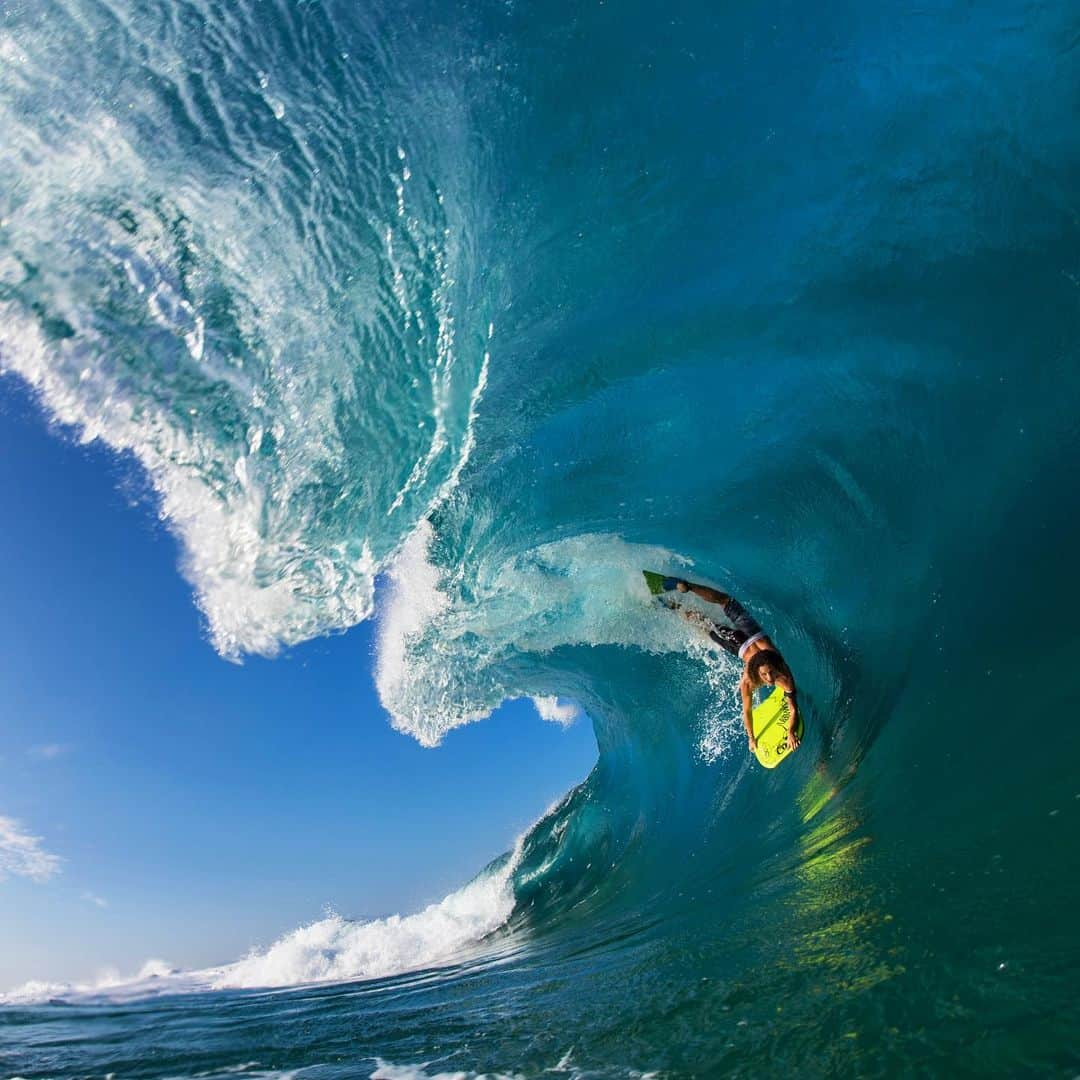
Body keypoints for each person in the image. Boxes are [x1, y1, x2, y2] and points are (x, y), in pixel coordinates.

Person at [664, 578, 800, 754]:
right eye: (764, 675)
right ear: (755, 672)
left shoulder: (783, 673)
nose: (769, 679)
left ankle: (687, 588)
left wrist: (790, 732)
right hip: (739, 644)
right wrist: (751, 738)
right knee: (706, 625)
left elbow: (793, 709)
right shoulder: (750, 681)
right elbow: (747, 711)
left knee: (726, 601)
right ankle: (675, 605)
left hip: (754, 632)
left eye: (771, 673)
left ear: (775, 666)